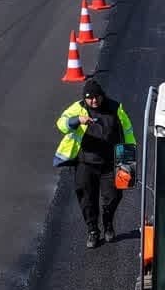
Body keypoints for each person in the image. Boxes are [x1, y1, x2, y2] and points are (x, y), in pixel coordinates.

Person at [55, 78, 137, 248]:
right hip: (85, 163)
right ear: (84, 98)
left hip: (109, 163)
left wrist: (128, 162)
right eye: (89, 98)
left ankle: (108, 224)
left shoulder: (115, 108)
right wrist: (77, 120)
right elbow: (62, 124)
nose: (93, 101)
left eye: (96, 97)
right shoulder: (78, 108)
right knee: (87, 199)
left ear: (102, 96)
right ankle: (93, 230)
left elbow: (127, 132)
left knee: (114, 196)